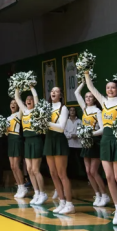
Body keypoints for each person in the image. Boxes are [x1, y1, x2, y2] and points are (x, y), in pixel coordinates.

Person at [84, 71, 117, 226]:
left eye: (113, 88)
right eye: (108, 87)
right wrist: (86, 72)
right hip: (105, 141)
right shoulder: (104, 102)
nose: (110, 90)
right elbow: (91, 88)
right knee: (109, 177)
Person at [14, 85, 47, 206]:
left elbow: (36, 97)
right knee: (28, 169)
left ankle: (43, 193)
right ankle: (37, 192)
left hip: (36, 140)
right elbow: (17, 99)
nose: (29, 100)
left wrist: (31, 87)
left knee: (35, 169)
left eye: (31, 99)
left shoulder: (36, 110)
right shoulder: (24, 110)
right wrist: (17, 87)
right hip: (27, 141)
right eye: (27, 99)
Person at [43, 86, 73, 214]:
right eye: (52, 91)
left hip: (59, 141)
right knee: (53, 174)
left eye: (56, 91)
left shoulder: (63, 108)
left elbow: (61, 128)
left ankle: (70, 204)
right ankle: (61, 202)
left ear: (60, 95)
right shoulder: (46, 108)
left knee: (62, 174)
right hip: (49, 141)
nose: (53, 93)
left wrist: (45, 122)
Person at [5, 99, 27, 198]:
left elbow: (22, 106)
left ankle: (23, 186)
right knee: (12, 166)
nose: (13, 105)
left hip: (17, 139)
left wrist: (18, 95)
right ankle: (19, 186)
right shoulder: (8, 117)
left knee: (17, 165)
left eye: (15, 103)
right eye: (11, 103)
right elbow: (6, 133)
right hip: (10, 140)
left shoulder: (19, 114)